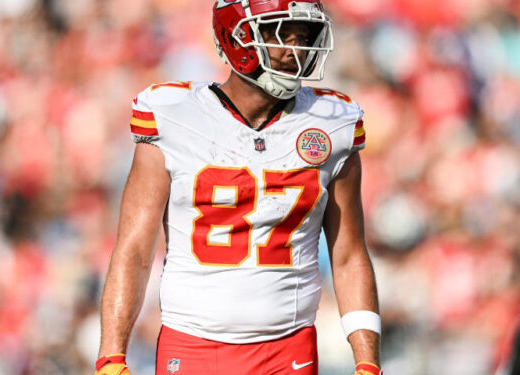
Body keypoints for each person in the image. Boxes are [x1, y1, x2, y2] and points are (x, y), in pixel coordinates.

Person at [95, 1, 382, 374]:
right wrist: (111, 356)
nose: (296, 48)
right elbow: (134, 250)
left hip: (289, 347)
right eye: (281, 33)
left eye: (304, 34)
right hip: (193, 344)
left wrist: (367, 361)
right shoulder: (174, 115)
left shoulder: (332, 124)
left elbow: (348, 254)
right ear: (238, 36)